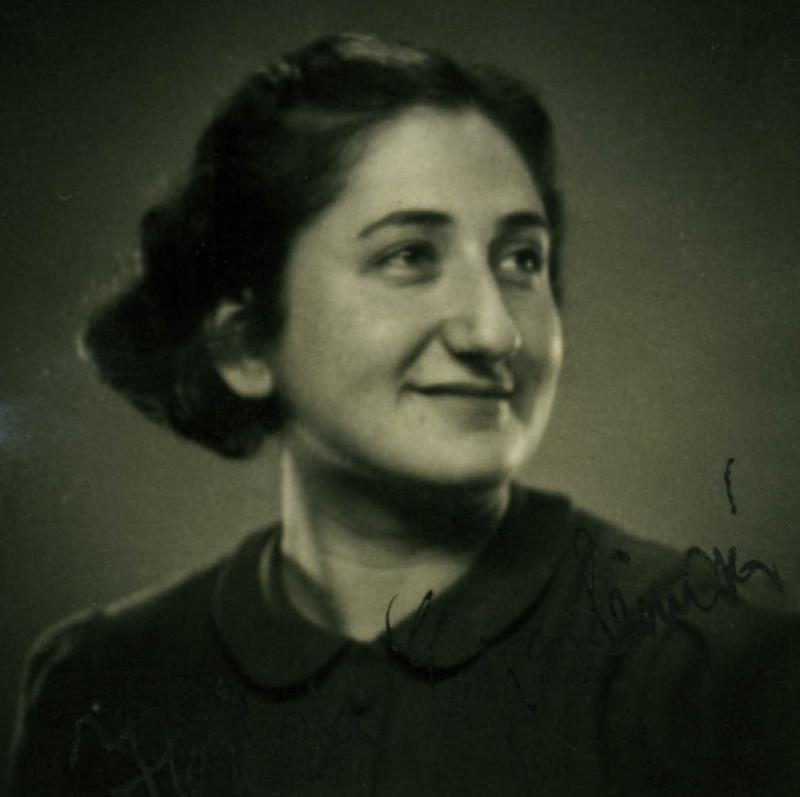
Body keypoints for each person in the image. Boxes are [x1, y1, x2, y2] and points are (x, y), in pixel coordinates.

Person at [7, 32, 800, 796]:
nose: (495, 331)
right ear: (244, 343)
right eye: (409, 255)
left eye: (522, 259)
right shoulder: (98, 683)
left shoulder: (718, 666)